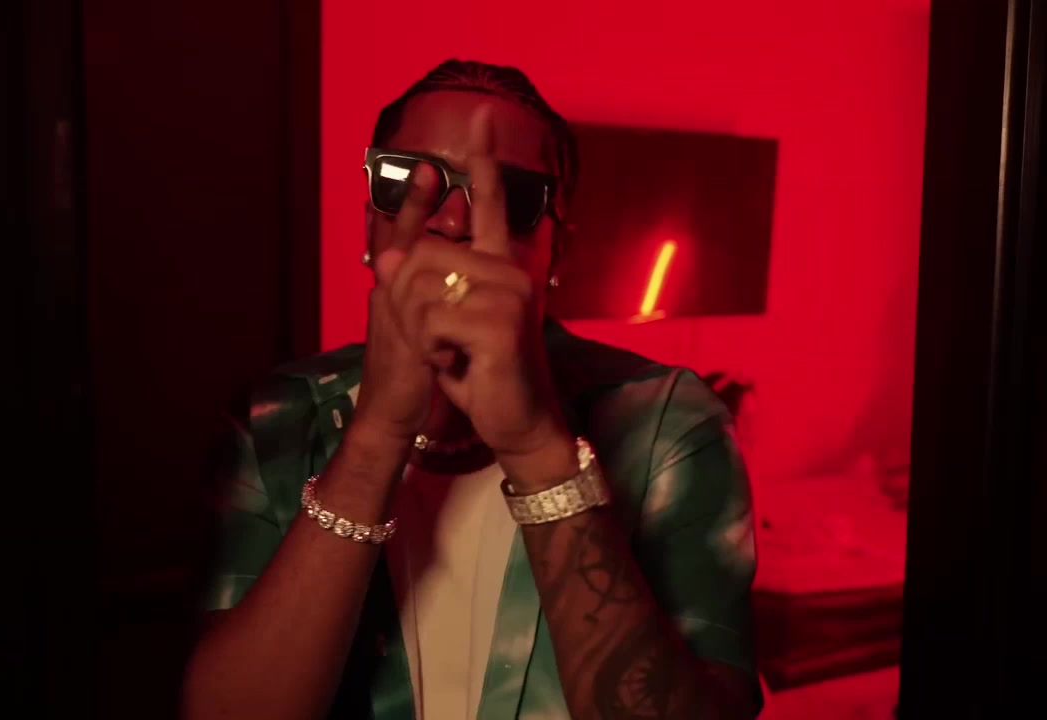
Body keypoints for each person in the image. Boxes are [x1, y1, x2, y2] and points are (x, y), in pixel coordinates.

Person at [183, 60, 760, 720]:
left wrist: (537, 448)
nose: (454, 221)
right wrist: (375, 440)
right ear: (370, 225)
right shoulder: (275, 419)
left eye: (511, 195)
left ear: (557, 254)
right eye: (407, 182)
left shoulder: (667, 423)